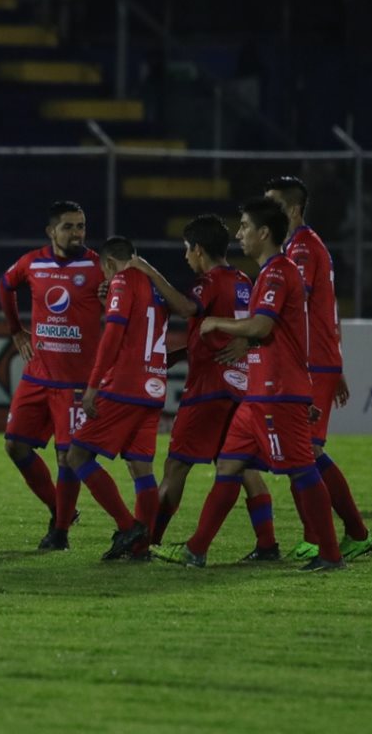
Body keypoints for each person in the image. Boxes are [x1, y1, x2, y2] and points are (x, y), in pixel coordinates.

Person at [153, 198, 345, 571]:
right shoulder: (256, 276)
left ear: (263, 233)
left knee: (302, 468)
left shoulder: (277, 273)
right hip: (257, 391)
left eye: (244, 226)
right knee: (228, 466)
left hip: (276, 391)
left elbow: (261, 328)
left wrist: (217, 324)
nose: (239, 234)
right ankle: (196, 549)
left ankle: (331, 554)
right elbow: (267, 334)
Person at [131, 216, 264, 555]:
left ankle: (149, 541)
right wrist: (181, 352)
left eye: (187, 250)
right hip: (239, 385)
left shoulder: (208, 281)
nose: (186, 257)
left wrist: (148, 271)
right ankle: (268, 543)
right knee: (242, 466)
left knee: (176, 465)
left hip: (208, 391)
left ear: (199, 249)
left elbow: (187, 307)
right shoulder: (243, 280)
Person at [264, 176, 372, 559]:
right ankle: (325, 535)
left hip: (311, 363)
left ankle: (341, 535)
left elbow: (289, 304)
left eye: (275, 207)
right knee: (302, 453)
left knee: (304, 454)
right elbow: (327, 310)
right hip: (317, 361)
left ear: (294, 210)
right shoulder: (303, 246)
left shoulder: (302, 251)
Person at [0, 200, 105, 550]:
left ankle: (60, 532)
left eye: (81, 226)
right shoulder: (33, 262)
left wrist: (110, 294)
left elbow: (126, 299)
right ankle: (60, 509)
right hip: (37, 375)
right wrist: (16, 330)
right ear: (51, 231)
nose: (77, 233)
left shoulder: (98, 266)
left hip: (75, 382)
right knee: (14, 444)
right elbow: (5, 285)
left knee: (66, 457)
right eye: (69, 227)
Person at [55, 237, 165, 560]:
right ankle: (140, 549)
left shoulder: (120, 280)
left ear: (108, 265)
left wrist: (92, 387)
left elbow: (113, 335)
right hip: (154, 386)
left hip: (124, 386)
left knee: (76, 456)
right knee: (141, 467)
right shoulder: (154, 286)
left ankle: (129, 527)